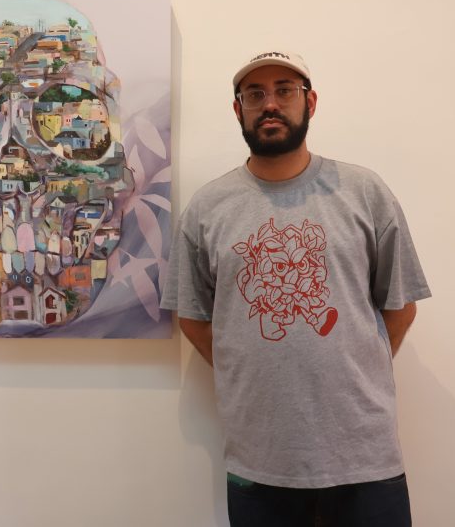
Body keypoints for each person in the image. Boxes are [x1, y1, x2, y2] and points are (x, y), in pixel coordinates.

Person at [161, 51, 431, 526]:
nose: (270, 104)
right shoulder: (208, 208)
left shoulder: (364, 192)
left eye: (285, 90)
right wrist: (249, 366)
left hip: (364, 456)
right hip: (259, 460)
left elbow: (401, 306)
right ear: (238, 109)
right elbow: (193, 317)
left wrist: (351, 366)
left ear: (310, 102)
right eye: (255, 94)